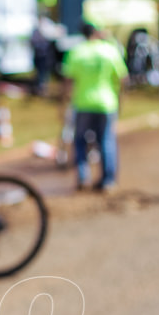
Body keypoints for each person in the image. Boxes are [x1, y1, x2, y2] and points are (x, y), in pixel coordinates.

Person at [61, 22, 127, 192]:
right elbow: (122, 78)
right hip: (106, 102)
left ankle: (83, 177)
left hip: (83, 103)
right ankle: (108, 181)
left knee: (80, 141)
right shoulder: (109, 50)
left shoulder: (76, 52)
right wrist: (121, 100)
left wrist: (63, 104)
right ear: (96, 32)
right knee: (106, 140)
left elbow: (67, 81)